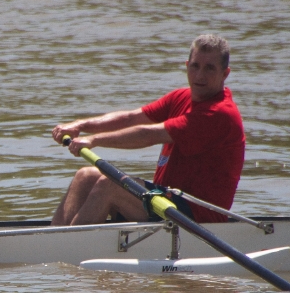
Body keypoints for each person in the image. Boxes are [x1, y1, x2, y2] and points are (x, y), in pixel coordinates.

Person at [51, 34, 245, 225]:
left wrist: (93, 140)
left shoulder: (218, 113)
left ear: (225, 73)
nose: (200, 75)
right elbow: (130, 118)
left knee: (109, 186)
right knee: (85, 176)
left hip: (196, 215)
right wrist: (80, 126)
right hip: (165, 198)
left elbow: (149, 134)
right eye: (195, 66)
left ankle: (68, 250)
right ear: (187, 65)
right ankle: (54, 241)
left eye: (209, 68)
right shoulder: (181, 97)